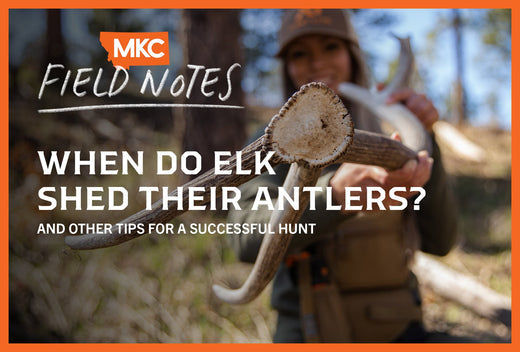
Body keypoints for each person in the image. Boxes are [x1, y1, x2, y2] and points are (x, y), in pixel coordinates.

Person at [228, 9, 459, 343]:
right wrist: (334, 195)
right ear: (287, 68)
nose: (317, 63)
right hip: (309, 335)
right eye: (299, 53)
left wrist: (424, 141)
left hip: (400, 332)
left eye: (330, 48)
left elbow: (441, 241)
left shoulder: (396, 135)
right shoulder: (270, 146)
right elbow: (244, 236)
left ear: (352, 55)